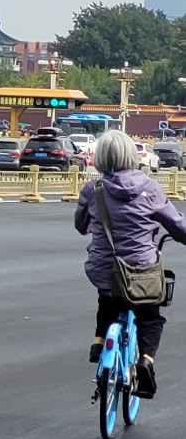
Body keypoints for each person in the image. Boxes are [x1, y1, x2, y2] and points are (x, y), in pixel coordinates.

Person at [73, 130, 186, 396]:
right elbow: (178, 226)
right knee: (150, 316)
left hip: (104, 269)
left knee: (108, 299)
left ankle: (99, 343)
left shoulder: (93, 190)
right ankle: (146, 361)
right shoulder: (150, 188)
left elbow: (80, 226)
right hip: (141, 269)